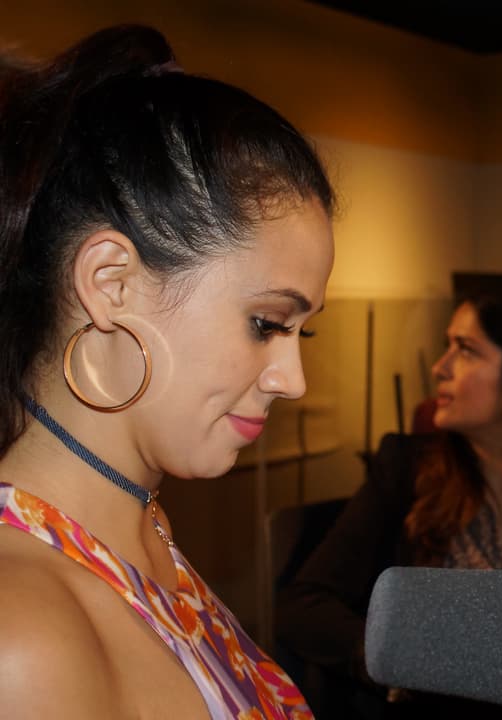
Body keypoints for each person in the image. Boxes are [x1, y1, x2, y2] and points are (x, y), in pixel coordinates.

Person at [0, 25, 334, 719]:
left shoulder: (140, 530)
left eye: (304, 331)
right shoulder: (23, 636)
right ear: (112, 284)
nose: (293, 380)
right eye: (266, 323)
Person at [275, 288, 502, 719]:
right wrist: (399, 658)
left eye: (465, 350)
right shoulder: (406, 470)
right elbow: (303, 607)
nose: (439, 367)